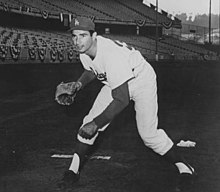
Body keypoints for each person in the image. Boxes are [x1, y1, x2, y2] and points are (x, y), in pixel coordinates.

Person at [58, 16, 196, 191]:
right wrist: (78, 85)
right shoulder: (85, 50)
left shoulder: (111, 56)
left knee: (148, 135)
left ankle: (185, 168)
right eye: (74, 36)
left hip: (141, 81)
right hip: (115, 81)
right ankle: (73, 170)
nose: (77, 41)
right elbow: (91, 69)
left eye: (83, 35)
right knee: (88, 122)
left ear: (94, 36)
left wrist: (97, 123)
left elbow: (122, 99)